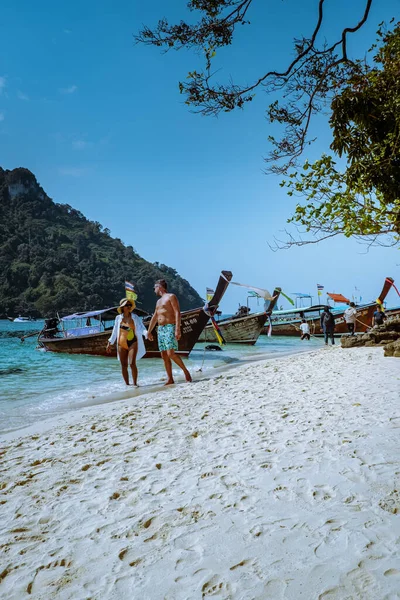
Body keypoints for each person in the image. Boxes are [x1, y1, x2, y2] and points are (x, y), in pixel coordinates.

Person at [147, 279, 192, 385]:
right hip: (161, 329)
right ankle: (170, 379)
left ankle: (186, 371)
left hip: (170, 327)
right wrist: (149, 331)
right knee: (164, 355)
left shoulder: (171, 296)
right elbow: (155, 316)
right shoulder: (158, 302)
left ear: (160, 287)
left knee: (170, 353)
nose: (154, 290)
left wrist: (177, 328)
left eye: (155, 288)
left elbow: (177, 312)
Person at [106, 298, 148, 386]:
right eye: (126, 305)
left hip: (133, 342)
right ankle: (127, 385)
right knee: (123, 365)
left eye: (130, 305)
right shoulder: (118, 318)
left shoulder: (135, 317)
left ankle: (135, 384)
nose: (129, 307)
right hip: (121, 343)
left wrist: (147, 334)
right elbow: (114, 331)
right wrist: (110, 342)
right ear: (122, 307)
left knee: (132, 363)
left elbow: (141, 327)